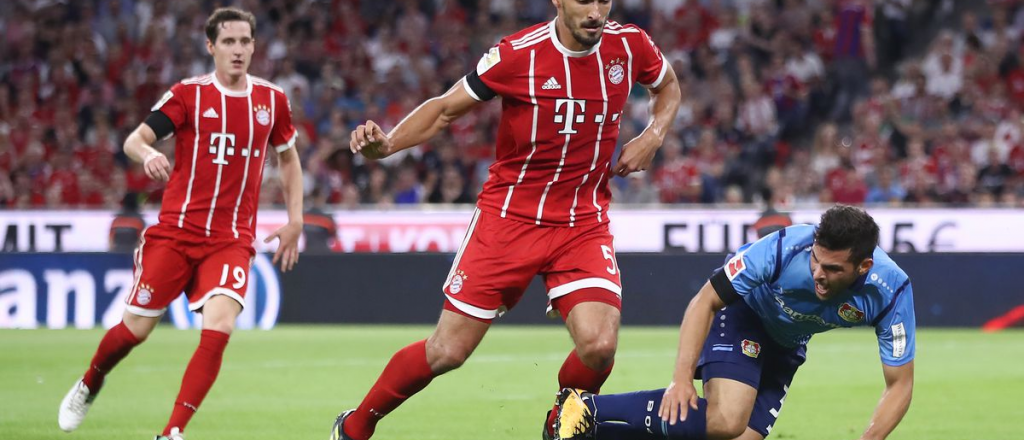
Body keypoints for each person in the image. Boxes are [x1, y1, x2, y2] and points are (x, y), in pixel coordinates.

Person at [330, 0, 681, 439]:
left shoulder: (630, 45)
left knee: (599, 345)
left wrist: (653, 134)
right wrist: (388, 145)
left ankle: (561, 422)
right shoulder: (517, 55)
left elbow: (668, 86)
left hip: (582, 222)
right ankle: (355, 425)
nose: (595, 11)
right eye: (583, 0)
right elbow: (445, 109)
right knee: (448, 350)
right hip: (509, 221)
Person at [58, 8, 304, 440]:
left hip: (230, 239)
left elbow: (288, 159)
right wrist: (149, 153)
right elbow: (135, 139)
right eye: (228, 42)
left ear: (253, 46)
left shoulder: (272, 101)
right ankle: (90, 382)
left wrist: (295, 220)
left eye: (245, 41)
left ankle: (172, 432)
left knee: (220, 326)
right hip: (175, 234)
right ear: (211, 47)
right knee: (135, 331)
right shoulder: (188, 95)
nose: (238, 50)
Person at [553, 205, 916, 440]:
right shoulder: (783, 249)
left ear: (863, 266)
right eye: (816, 261)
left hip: (788, 344)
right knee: (726, 420)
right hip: (744, 313)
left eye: (833, 269)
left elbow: (899, 384)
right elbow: (704, 301)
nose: (818, 274)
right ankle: (585, 406)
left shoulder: (891, 291)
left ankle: (587, 433)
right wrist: (681, 379)